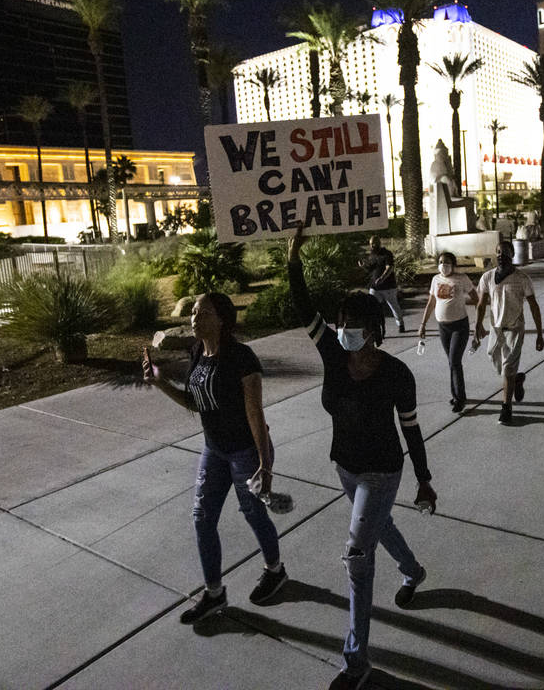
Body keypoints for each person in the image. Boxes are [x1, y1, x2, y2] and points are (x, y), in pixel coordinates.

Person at [288, 226, 437, 690]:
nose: (342, 329)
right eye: (340, 321)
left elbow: (410, 429)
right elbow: (302, 305)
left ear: (373, 330)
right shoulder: (333, 354)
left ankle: (356, 662)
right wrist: (293, 257)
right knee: (380, 527)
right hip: (345, 467)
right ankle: (413, 570)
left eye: (352, 323)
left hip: (382, 470)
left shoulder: (397, 374)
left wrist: (424, 479)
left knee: (357, 555)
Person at [142, 293, 287, 623]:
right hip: (214, 449)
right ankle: (214, 592)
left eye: (203, 313)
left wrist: (265, 465)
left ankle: (275, 570)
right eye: (192, 313)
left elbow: (255, 412)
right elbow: (196, 403)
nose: (194, 319)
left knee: (253, 514)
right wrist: (160, 381)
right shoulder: (196, 352)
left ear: (222, 319)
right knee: (202, 518)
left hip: (246, 451)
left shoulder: (241, 358)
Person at [474, 240, 544, 425]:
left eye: (505, 251)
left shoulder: (522, 279)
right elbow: (481, 304)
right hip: (495, 330)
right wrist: (477, 327)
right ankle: (517, 380)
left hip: (514, 330)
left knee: (506, 370)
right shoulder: (487, 277)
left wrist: (539, 333)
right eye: (498, 251)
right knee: (497, 362)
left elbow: (534, 306)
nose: (500, 254)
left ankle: (506, 408)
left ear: (512, 254)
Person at [417, 251, 479, 413]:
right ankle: (456, 394)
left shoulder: (461, 279)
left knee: (454, 361)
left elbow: (476, 298)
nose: (443, 265)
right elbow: (431, 302)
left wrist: (479, 323)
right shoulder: (435, 279)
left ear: (453, 265)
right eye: (440, 262)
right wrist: (423, 324)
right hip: (443, 327)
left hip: (460, 326)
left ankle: (460, 398)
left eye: (446, 262)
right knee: (451, 362)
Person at [359, 235, 404, 333]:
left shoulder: (387, 254)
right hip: (375, 287)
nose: (372, 246)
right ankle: (373, 327)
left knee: (393, 306)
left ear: (379, 243)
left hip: (388, 287)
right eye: (371, 244)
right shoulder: (372, 255)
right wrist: (363, 266)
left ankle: (400, 324)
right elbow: (371, 269)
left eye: (374, 244)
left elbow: (390, 268)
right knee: (371, 306)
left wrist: (382, 278)